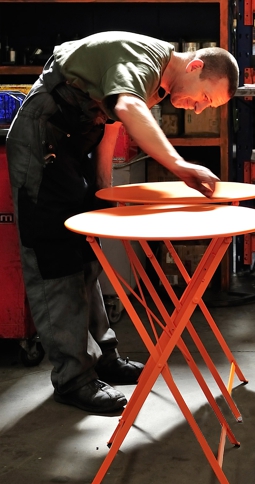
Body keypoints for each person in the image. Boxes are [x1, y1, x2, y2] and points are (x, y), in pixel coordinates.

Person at [6, 31, 239, 414]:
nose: (198, 109)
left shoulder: (158, 83)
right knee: (55, 259)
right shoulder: (146, 59)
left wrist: (102, 187)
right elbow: (128, 107)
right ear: (195, 66)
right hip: (41, 140)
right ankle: (72, 379)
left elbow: (112, 120)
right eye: (204, 98)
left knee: (87, 254)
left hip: (71, 145)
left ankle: (104, 358)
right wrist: (179, 165)